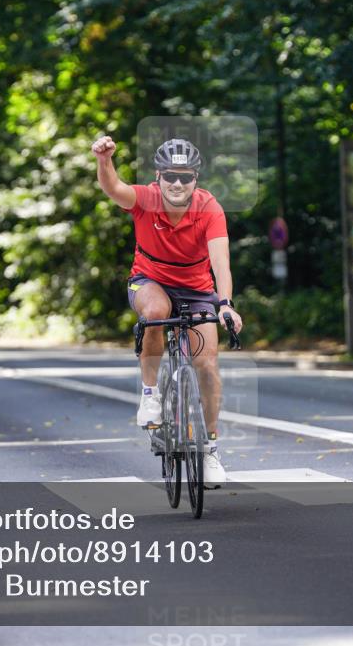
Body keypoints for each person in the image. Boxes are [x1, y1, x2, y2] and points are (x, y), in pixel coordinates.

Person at [92, 135, 243, 488]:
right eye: (170, 176)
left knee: (206, 364)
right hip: (149, 280)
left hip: (196, 289)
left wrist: (225, 304)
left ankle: (208, 448)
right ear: (158, 177)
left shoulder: (209, 208)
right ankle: (150, 396)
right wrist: (104, 160)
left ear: (196, 180)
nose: (177, 183)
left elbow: (221, 263)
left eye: (186, 177)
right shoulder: (145, 199)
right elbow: (114, 188)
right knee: (157, 311)